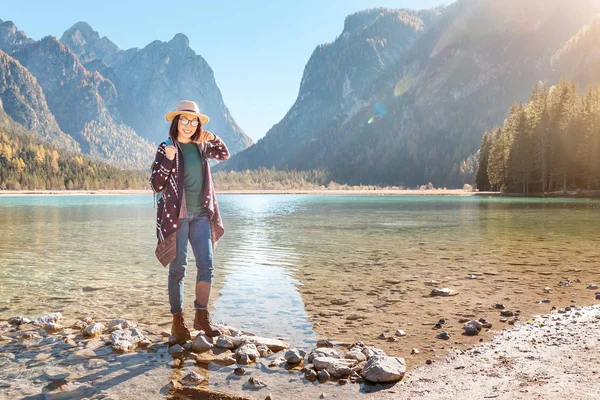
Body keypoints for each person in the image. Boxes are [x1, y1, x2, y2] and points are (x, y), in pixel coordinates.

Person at [150, 100, 230, 343]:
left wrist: (213, 136)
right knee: (179, 269)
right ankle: (178, 322)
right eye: (183, 120)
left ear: (198, 124)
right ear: (176, 122)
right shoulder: (167, 147)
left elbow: (224, 154)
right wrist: (167, 160)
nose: (188, 125)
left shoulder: (201, 146)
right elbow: (156, 184)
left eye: (193, 120)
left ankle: (201, 317)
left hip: (202, 215)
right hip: (178, 217)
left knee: (207, 264)